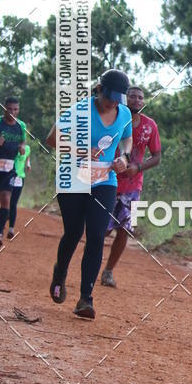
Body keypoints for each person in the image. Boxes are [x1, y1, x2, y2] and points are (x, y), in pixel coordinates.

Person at [46, 69, 132, 319]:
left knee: (96, 235)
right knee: (73, 232)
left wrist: (124, 158)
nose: (113, 103)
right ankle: (59, 274)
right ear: (99, 89)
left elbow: (127, 139)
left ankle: (86, 298)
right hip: (73, 178)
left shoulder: (124, 112)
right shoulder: (80, 110)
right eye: (109, 97)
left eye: (118, 98)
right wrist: (80, 149)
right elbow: (52, 138)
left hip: (105, 179)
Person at [100, 85, 161, 288]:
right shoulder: (112, 119)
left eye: (140, 97)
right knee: (102, 229)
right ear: (124, 98)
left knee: (124, 229)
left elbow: (157, 156)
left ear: (144, 101)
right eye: (132, 96)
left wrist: (138, 167)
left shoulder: (150, 125)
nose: (136, 100)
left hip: (133, 187)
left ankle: (108, 271)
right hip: (107, 182)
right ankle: (91, 264)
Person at [0, 97, 26, 247]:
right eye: (10, 109)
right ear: (4, 109)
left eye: (15, 109)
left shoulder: (21, 125)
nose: (12, 112)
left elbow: (23, 140)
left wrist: (22, 147)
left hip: (10, 169)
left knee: (6, 200)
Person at [3, 142, 31, 240]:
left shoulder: (27, 148)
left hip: (19, 177)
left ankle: (11, 229)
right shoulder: (12, 146)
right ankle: (1, 225)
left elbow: (27, 157)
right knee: (5, 201)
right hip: (8, 175)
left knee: (13, 203)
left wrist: (28, 165)